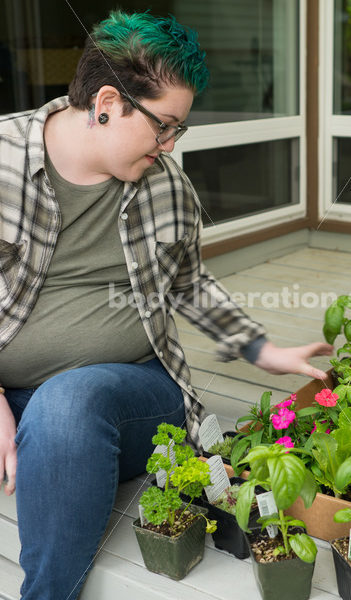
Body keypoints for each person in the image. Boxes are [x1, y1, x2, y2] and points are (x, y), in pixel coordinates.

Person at [0, 11, 332, 600]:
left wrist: (265, 350)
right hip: (13, 394)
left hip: (135, 392)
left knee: (67, 405)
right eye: (164, 126)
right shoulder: (3, 163)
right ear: (108, 102)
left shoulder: (165, 185)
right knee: (54, 414)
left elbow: (190, 286)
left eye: (179, 128)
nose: (172, 144)